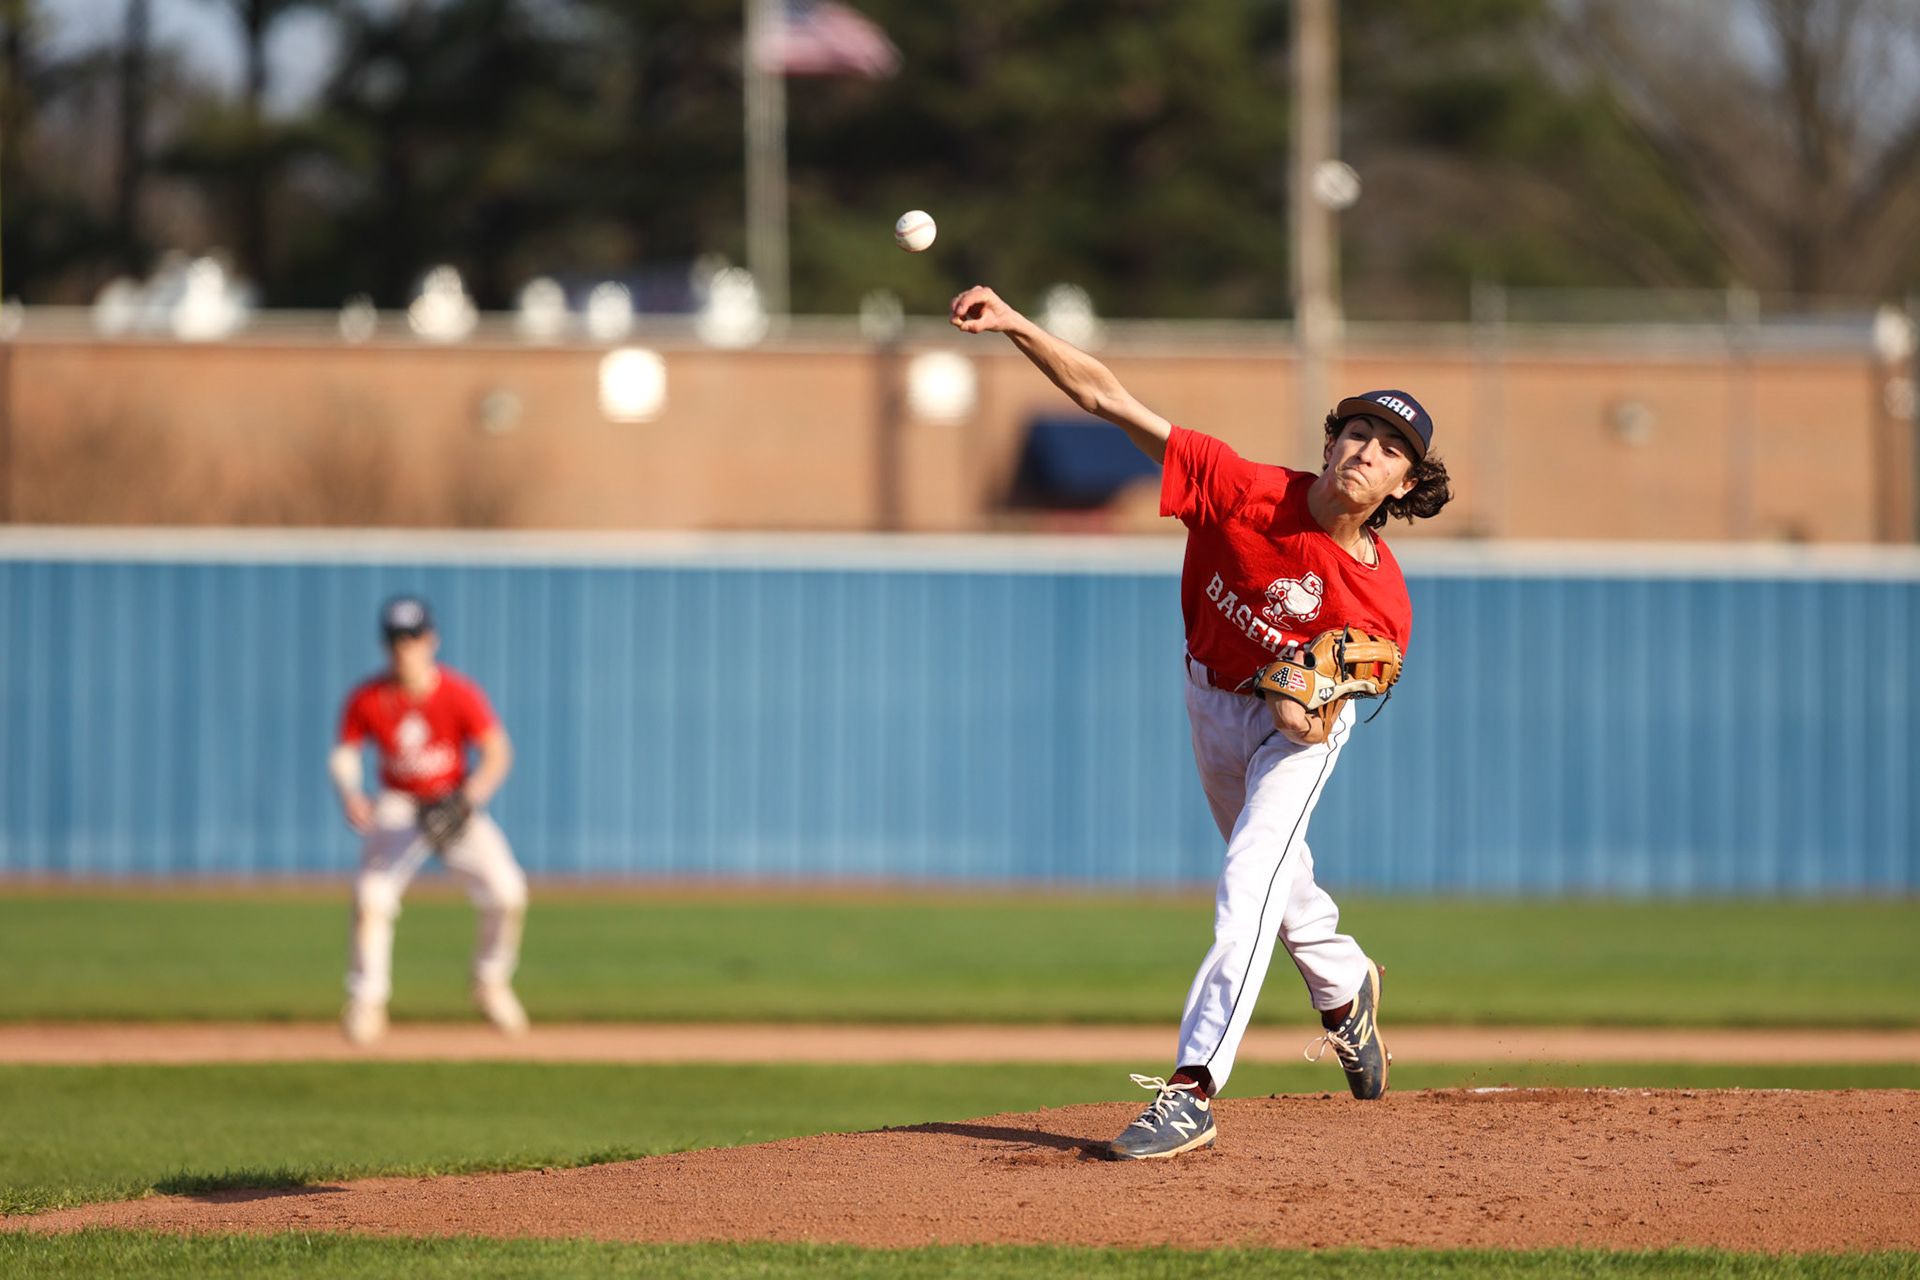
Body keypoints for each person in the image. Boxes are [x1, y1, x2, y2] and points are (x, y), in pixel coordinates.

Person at [951, 285, 1452, 1160]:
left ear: (1405, 485)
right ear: (1329, 443)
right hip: (1210, 699)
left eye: (1389, 450)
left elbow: (1316, 721)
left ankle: (1192, 1090)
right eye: (1357, 432)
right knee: (1278, 880)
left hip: (1295, 737)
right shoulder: (1243, 489)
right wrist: (1019, 325)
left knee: (1248, 880)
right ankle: (1344, 986)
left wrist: (1303, 704)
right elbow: (1107, 399)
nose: (1365, 451)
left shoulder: (1382, 603)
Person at [328, 596, 530, 1045]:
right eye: (397, 640)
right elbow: (346, 753)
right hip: (398, 805)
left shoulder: (458, 693)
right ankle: (367, 1001)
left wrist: (469, 798)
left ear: (431, 640)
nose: (406, 648)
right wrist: (350, 792)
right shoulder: (368, 697)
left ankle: (491, 983)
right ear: (386, 644)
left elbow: (498, 751)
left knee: (508, 892)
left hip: (452, 801)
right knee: (371, 897)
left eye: (414, 638)